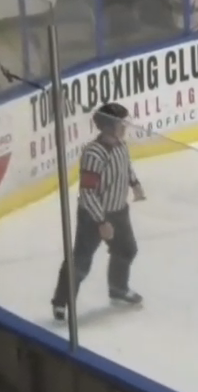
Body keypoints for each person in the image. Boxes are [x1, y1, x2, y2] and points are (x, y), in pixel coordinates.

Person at [51, 102, 146, 321]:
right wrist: (101, 221)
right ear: (109, 126)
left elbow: (126, 167)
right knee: (81, 261)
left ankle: (118, 288)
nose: (126, 126)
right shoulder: (94, 154)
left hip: (118, 211)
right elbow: (88, 192)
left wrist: (135, 184)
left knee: (127, 249)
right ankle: (61, 302)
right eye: (122, 122)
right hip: (93, 217)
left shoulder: (121, 146)